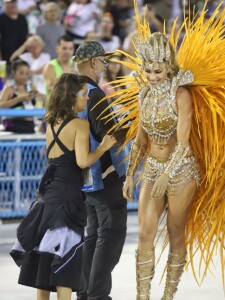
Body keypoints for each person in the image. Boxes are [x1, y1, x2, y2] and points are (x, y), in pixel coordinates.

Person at [10, 73, 117, 300]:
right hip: (67, 199)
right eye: (83, 94)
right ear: (71, 96)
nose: (86, 99)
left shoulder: (50, 122)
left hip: (46, 197)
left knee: (44, 261)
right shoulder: (80, 124)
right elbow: (83, 161)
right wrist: (104, 146)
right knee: (65, 267)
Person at [122, 32, 200, 300]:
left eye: (157, 71)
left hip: (181, 171)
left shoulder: (181, 93)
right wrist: (130, 174)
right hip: (153, 168)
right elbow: (140, 138)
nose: (152, 76)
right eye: (148, 71)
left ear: (168, 66)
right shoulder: (144, 94)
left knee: (175, 231)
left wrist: (169, 174)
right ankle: (142, 296)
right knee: (144, 232)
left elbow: (184, 141)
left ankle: (168, 296)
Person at [74, 41, 128, 300]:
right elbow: (109, 135)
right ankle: (96, 295)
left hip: (85, 177)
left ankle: (85, 293)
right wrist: (133, 121)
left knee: (93, 235)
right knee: (110, 235)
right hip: (105, 177)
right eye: (103, 62)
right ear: (93, 62)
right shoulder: (94, 94)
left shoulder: (71, 91)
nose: (105, 67)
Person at [0, 59, 40, 133]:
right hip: (13, 126)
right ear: (14, 73)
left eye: (27, 73)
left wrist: (38, 96)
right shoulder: (9, 89)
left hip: (30, 126)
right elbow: (1, 105)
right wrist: (18, 99)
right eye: (21, 73)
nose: (24, 76)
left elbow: (40, 101)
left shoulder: (31, 87)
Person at [43, 35, 75, 99]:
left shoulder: (75, 64)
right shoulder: (50, 66)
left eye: (70, 49)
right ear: (57, 49)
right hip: (55, 106)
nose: (67, 51)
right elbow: (51, 89)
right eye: (64, 48)